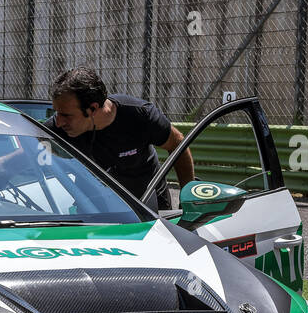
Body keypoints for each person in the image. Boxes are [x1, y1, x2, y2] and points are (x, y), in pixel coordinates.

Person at [21, 67, 193, 210]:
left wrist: (189, 199)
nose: (58, 122)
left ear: (93, 108)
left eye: (66, 115)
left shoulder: (140, 116)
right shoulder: (57, 129)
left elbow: (178, 144)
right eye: (55, 113)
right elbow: (28, 153)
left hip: (147, 198)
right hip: (96, 206)